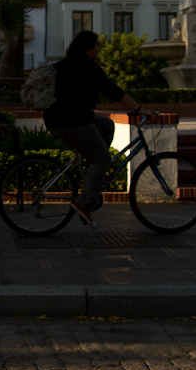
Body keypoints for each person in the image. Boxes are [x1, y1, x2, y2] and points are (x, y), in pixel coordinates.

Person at [43, 30, 146, 226]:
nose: (99, 49)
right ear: (88, 48)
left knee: (107, 125)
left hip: (66, 118)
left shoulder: (73, 63)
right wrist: (140, 109)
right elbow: (112, 90)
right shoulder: (85, 66)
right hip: (70, 121)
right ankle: (85, 203)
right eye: (97, 45)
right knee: (102, 158)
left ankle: (92, 174)